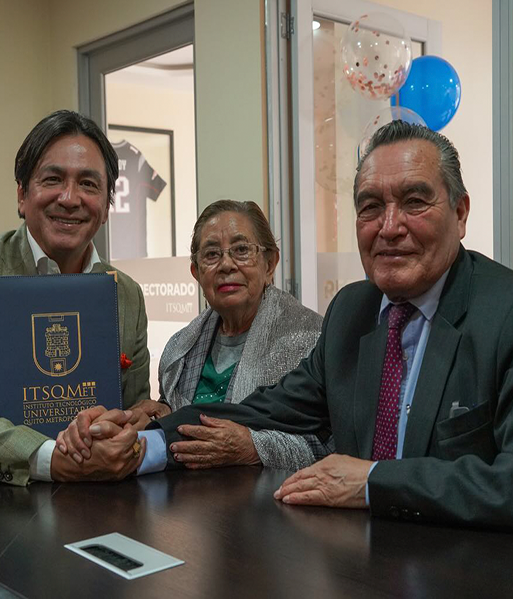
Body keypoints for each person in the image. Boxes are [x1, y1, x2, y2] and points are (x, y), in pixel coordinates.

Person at [67, 121, 513, 544]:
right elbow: (261, 409)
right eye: (369, 208)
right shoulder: (353, 311)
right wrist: (142, 443)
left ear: (461, 211)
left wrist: (375, 481)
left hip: (480, 569)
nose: (389, 227)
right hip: (362, 560)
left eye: (414, 202)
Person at [0, 110, 149, 487]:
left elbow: (133, 411)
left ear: (106, 206)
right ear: (22, 195)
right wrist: (55, 461)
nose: (70, 199)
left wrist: (125, 432)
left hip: (86, 505)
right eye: (53, 179)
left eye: (88, 184)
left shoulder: (126, 294)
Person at [59, 200, 326, 470]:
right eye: (211, 255)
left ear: (270, 263)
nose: (226, 265)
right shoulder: (179, 349)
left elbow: (330, 446)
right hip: (182, 502)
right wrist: (163, 414)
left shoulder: (311, 340)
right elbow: (183, 424)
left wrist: (252, 447)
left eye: (242, 250)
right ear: (196, 273)